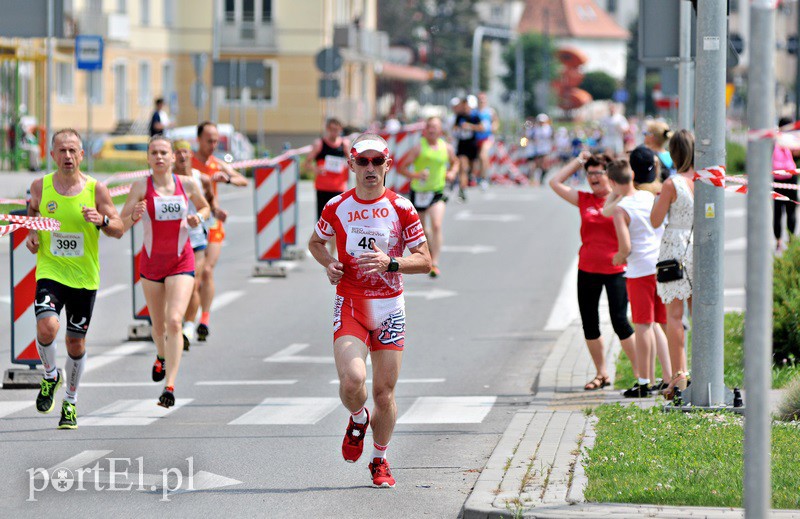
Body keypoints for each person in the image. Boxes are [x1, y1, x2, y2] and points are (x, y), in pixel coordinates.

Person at [308, 133, 431, 488]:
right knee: (352, 381)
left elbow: (425, 260)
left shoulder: (402, 207)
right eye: (363, 162)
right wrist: (329, 263)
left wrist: (391, 263)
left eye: (378, 161)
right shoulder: (336, 206)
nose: (370, 168)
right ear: (351, 165)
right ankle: (358, 418)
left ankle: (379, 458)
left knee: (385, 394)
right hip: (351, 302)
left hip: (391, 308)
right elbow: (315, 242)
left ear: (388, 165)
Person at [27, 128, 124, 429]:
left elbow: (119, 227)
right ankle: (49, 376)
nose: (67, 156)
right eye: (62, 151)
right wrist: (32, 233)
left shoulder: (96, 190)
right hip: (51, 271)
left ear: (82, 155)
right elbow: (32, 211)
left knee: (75, 344)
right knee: (47, 326)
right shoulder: (40, 187)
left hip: (84, 278)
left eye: (73, 151)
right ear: (53, 154)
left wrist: (102, 220)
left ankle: (69, 402)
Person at [120, 135, 211, 407]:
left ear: (173, 158)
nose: (159, 157)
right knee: (158, 325)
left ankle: (169, 386)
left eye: (163, 153)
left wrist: (199, 217)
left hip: (181, 261)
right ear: (148, 158)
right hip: (151, 263)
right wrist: (134, 216)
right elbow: (121, 225)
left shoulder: (187, 184)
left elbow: (205, 206)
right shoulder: (140, 186)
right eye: (154, 153)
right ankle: (161, 355)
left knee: (174, 321)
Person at [549, 150, 638, 391]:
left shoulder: (623, 198)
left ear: (609, 174)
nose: (593, 177)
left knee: (620, 322)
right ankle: (601, 373)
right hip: (587, 268)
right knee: (590, 323)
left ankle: (641, 376)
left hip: (617, 269)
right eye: (589, 174)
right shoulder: (584, 200)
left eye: (598, 172)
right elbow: (554, 182)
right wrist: (578, 161)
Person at [607, 157, 672, 398]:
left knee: (643, 324)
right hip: (660, 264)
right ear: (632, 176)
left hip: (639, 270)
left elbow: (625, 247)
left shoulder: (621, 209)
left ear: (612, 182)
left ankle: (644, 381)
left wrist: (618, 257)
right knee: (662, 323)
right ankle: (671, 377)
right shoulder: (648, 197)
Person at [190, 122, 249, 341]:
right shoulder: (189, 163)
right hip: (191, 221)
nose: (213, 145)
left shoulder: (216, 163)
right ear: (199, 140)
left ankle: (204, 319)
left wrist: (228, 178)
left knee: (207, 271)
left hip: (212, 222)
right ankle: (187, 319)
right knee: (193, 275)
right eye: (209, 141)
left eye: (216, 141)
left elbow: (243, 180)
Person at [651, 129, 695, 400]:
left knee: (675, 318)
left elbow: (655, 220)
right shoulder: (705, 180)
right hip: (698, 247)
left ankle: (680, 376)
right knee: (699, 315)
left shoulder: (672, 184)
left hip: (674, 250)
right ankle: (705, 370)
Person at [397, 116, 459, 278]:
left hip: (437, 191)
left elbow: (455, 162)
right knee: (424, 231)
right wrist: (416, 175)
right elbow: (401, 168)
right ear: (425, 130)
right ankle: (430, 251)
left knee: (437, 225)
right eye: (429, 127)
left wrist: (452, 172)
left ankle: (435, 262)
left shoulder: (446, 148)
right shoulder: (419, 147)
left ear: (440, 130)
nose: (432, 130)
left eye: (435, 127)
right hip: (419, 193)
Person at [172, 140, 218, 350]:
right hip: (171, 240)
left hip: (196, 237)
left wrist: (204, 215)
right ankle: (174, 324)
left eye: (185, 152)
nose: (182, 157)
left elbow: (209, 204)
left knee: (193, 282)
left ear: (191, 155)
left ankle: (188, 327)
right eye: (178, 153)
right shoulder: (164, 180)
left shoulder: (201, 179)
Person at [304, 118, 352, 254]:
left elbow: (352, 163)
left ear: (340, 130)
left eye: (336, 130)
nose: (334, 132)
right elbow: (307, 164)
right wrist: (316, 170)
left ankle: (333, 254)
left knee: (337, 223)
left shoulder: (344, 145)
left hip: (339, 189)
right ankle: (322, 250)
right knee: (323, 223)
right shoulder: (319, 144)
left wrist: (347, 164)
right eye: (331, 129)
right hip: (323, 188)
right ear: (327, 129)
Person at [773, 116, 799, 252]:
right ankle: (790, 239)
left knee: (778, 212)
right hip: (790, 178)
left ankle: (779, 241)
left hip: (777, 179)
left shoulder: (773, 139)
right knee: (791, 210)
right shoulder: (790, 139)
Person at [452, 96, 482, 202]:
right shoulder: (459, 116)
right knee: (463, 167)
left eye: (466, 106)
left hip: (472, 145)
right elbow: (454, 127)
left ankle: (472, 178)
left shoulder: (475, 116)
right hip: (462, 145)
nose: (464, 108)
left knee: (471, 168)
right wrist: (458, 128)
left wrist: (469, 126)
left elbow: (481, 128)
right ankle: (462, 190)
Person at [474, 92, 499, 189]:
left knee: (483, 156)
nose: (482, 101)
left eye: (483, 99)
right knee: (478, 159)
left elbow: (496, 121)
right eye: (480, 99)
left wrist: (494, 127)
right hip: (476, 138)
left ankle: (484, 178)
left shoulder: (490, 111)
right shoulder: (474, 112)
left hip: (487, 137)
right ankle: (479, 176)